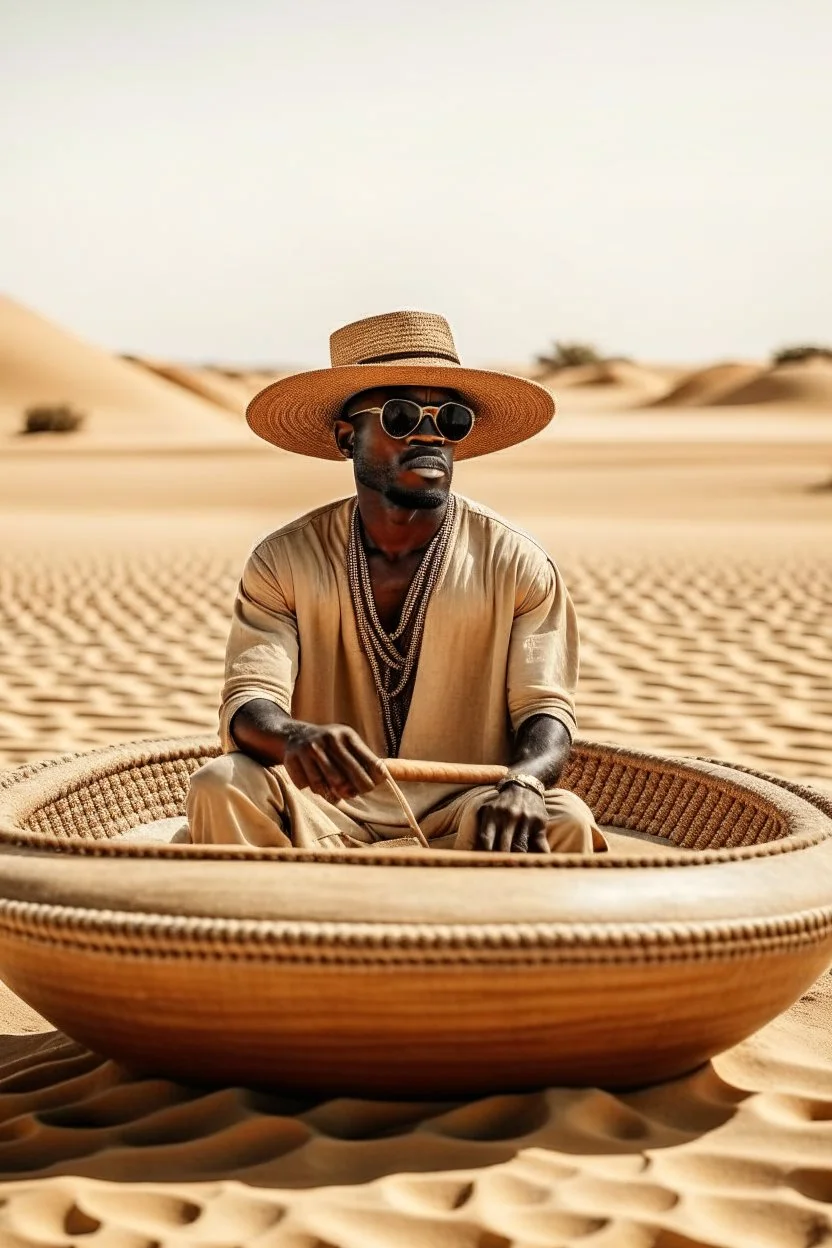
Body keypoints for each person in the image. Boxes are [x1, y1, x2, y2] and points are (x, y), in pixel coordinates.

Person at [187, 310, 604, 854]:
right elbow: (248, 703)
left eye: (451, 419)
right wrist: (297, 738)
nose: (430, 432)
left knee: (562, 819)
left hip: (469, 806)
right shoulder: (284, 559)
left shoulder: (516, 563)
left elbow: (545, 711)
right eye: (401, 415)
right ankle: (274, 935)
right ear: (345, 437)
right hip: (326, 806)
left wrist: (523, 783)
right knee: (221, 785)